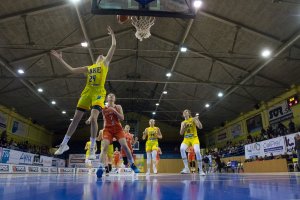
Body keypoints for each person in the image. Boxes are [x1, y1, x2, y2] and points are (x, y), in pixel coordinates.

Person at [52, 26, 116, 159]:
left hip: (98, 93)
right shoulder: (89, 68)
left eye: (103, 55)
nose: (101, 55)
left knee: (93, 118)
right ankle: (64, 144)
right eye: (100, 55)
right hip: (87, 93)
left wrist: (112, 36)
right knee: (75, 119)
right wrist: (60, 59)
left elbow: (113, 46)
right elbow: (71, 70)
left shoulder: (104, 64)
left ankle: (92, 148)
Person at [96, 93, 139, 178]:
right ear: (106, 99)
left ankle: (132, 164)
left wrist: (114, 111)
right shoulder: (103, 107)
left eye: (113, 96)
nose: (111, 96)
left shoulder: (118, 107)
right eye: (109, 96)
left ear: (114, 99)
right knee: (104, 148)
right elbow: (95, 112)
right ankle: (100, 167)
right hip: (108, 129)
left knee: (125, 146)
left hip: (118, 129)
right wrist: (91, 118)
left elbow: (122, 118)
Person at [179, 110, 205, 176]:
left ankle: (201, 170)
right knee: (182, 148)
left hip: (194, 138)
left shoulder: (193, 119)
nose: (185, 112)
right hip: (186, 139)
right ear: (183, 114)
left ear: (189, 113)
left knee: (197, 152)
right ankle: (186, 168)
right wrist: (184, 127)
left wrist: (198, 120)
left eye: (186, 111)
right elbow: (181, 133)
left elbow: (200, 127)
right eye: (184, 112)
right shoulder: (183, 122)